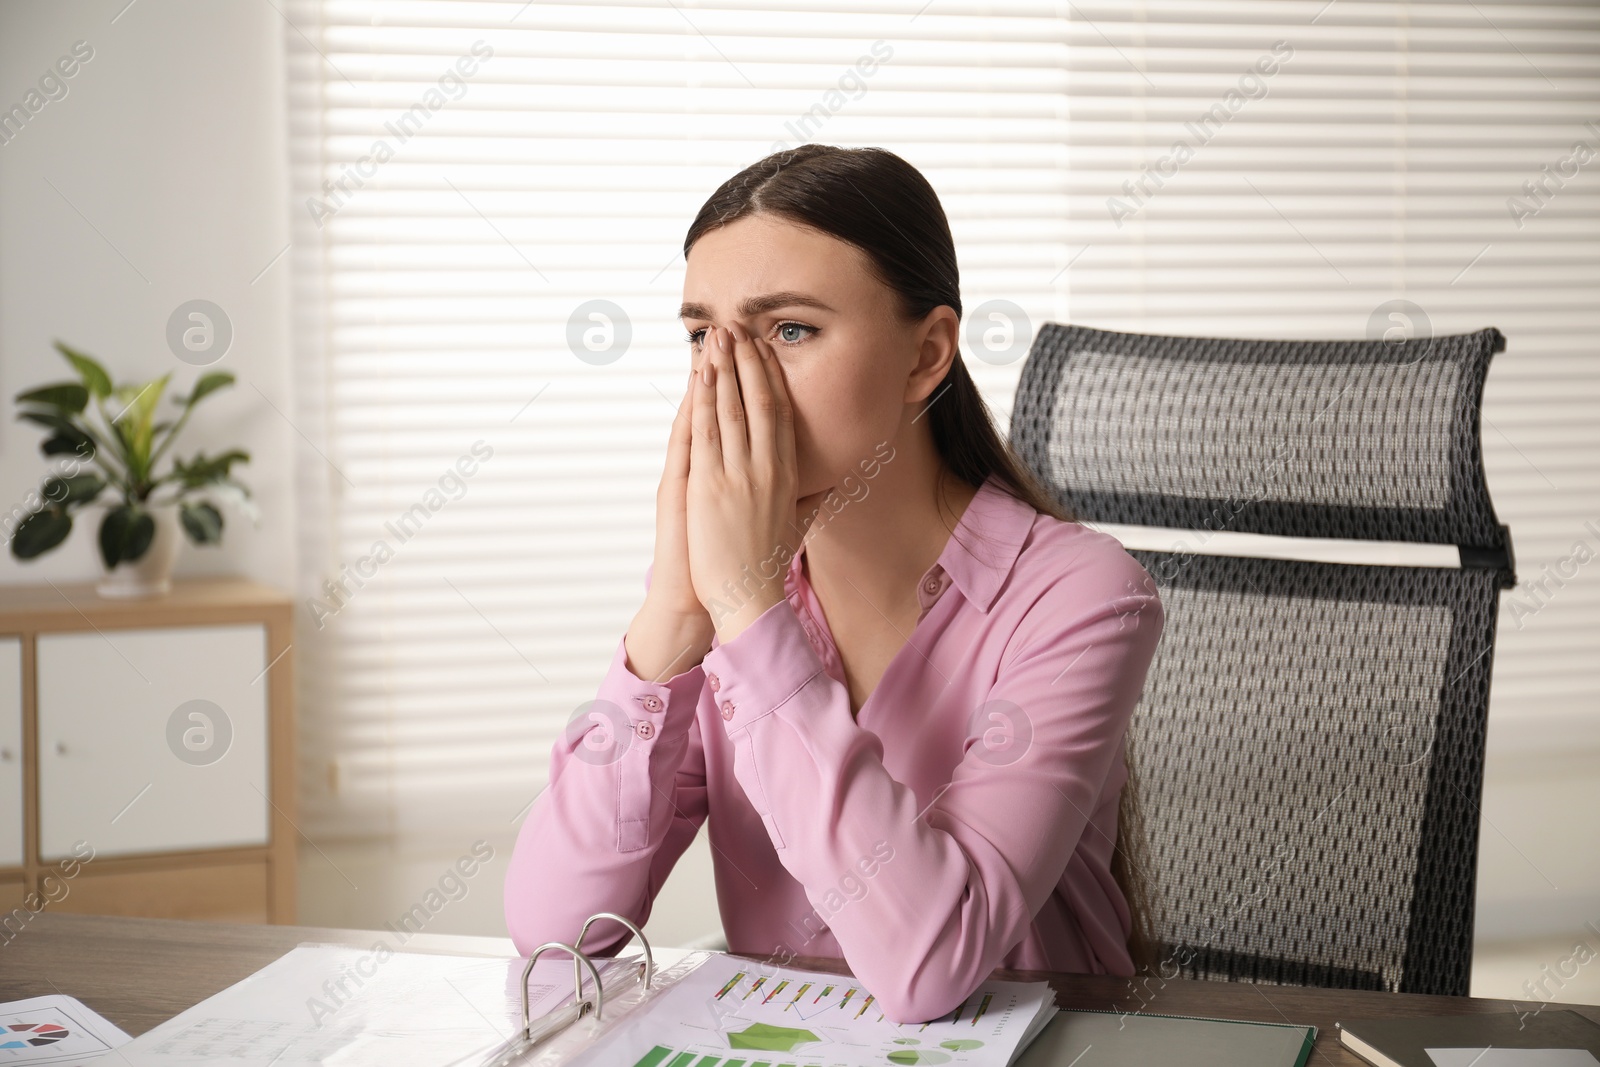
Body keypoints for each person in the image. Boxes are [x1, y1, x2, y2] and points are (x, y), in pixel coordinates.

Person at [504, 144, 1166, 1025]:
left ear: (927, 354)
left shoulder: (1080, 596)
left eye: (790, 331)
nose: (728, 382)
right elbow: (553, 928)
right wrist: (672, 615)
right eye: (703, 335)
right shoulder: (727, 599)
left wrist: (748, 610)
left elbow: (932, 966)